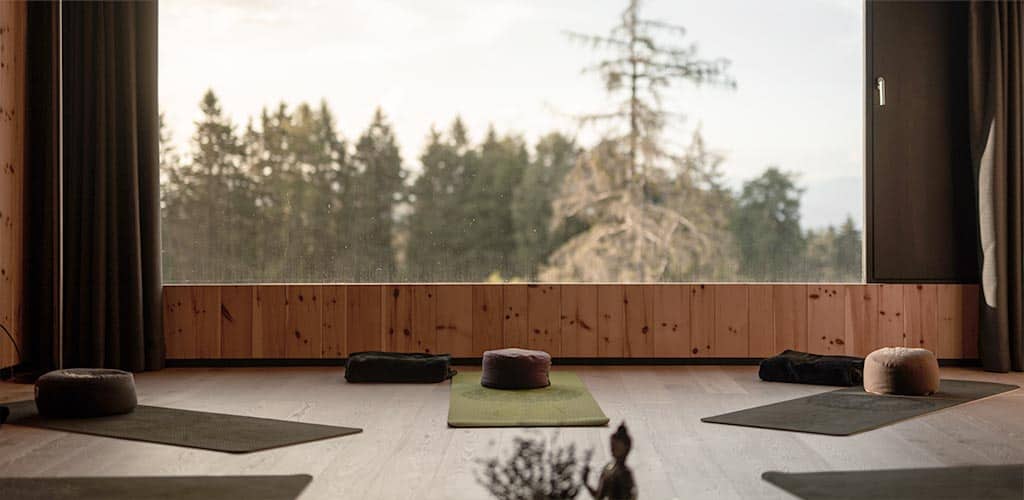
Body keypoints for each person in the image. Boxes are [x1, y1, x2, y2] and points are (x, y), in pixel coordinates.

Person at [582, 422, 638, 499]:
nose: (612, 448)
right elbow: (599, 496)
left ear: (626, 448)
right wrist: (586, 483)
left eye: (617, 445)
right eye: (612, 444)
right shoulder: (607, 469)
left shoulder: (625, 473)